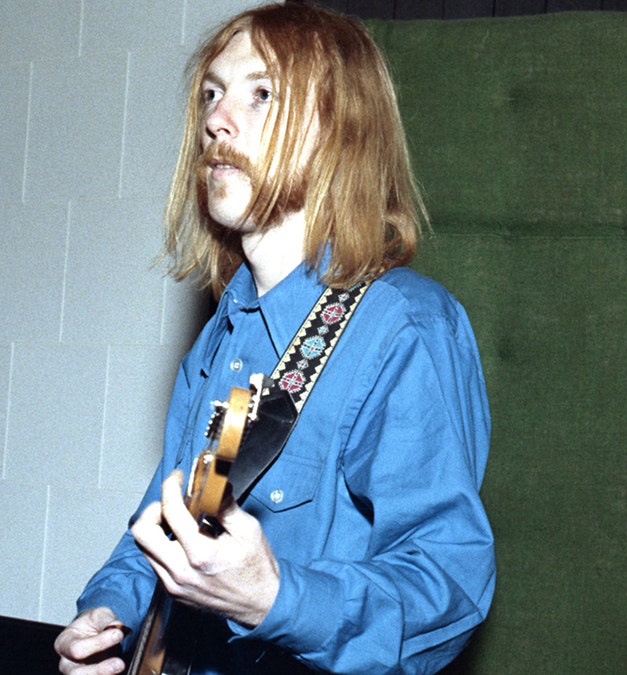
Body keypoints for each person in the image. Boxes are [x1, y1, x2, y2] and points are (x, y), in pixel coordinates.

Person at [54, 4, 494, 674]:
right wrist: (109, 612)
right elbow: (171, 520)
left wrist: (276, 597)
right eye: (212, 93)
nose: (216, 120)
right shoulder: (223, 335)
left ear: (338, 132)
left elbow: (451, 584)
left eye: (261, 94)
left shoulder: (402, 328)